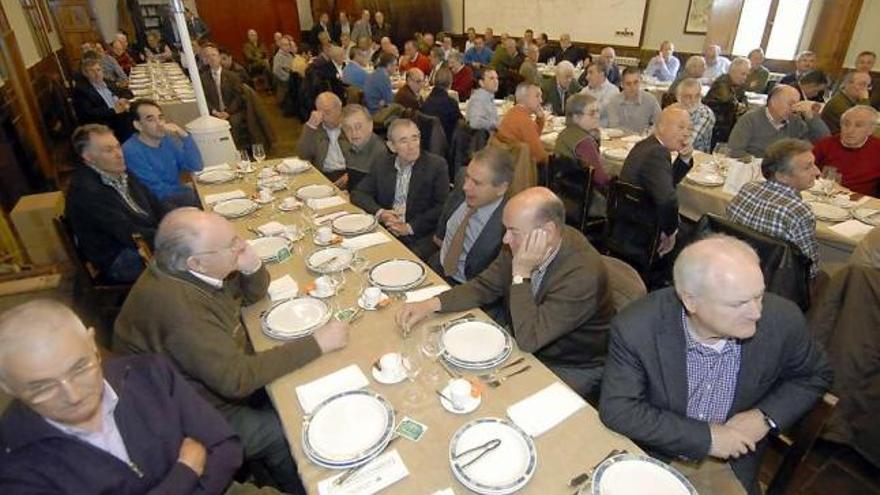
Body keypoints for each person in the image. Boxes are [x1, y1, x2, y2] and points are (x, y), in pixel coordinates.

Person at [113, 208, 349, 494]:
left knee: (293, 383)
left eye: (236, 237)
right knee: (286, 428)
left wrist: (251, 266)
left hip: (204, 381)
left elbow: (248, 296)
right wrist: (317, 343)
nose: (241, 246)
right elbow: (237, 380)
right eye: (231, 245)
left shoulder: (188, 273)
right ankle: (295, 486)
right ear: (197, 262)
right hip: (189, 419)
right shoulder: (182, 313)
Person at [599, 235, 832, 495]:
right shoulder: (638, 327)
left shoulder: (782, 320)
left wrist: (765, 416)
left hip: (730, 465)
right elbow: (619, 409)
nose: (756, 313)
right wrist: (708, 439)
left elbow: (815, 375)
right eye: (739, 303)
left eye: (759, 296)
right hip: (657, 453)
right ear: (691, 301)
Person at [0, 300, 257, 494]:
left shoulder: (148, 372)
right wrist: (185, 473)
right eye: (42, 388)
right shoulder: (12, 466)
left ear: (92, 343)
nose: (74, 395)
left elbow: (225, 447)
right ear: (8, 387)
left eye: (80, 368)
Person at [399, 187, 614, 396]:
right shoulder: (524, 243)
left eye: (513, 231)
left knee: (502, 403)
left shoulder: (583, 276)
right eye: (506, 229)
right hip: (524, 333)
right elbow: (484, 285)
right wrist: (431, 304)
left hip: (568, 363)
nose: (505, 240)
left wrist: (520, 273)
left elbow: (529, 339)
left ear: (546, 232)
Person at [66, 124, 168, 283]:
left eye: (118, 147)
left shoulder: (117, 170)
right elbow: (129, 234)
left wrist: (174, 222)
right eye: (108, 150)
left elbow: (154, 203)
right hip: (119, 256)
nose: (119, 154)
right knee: (188, 260)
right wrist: (173, 237)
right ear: (88, 157)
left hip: (141, 238)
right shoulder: (88, 192)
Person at [352, 118, 449, 257]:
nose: (412, 146)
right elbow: (358, 193)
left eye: (415, 138)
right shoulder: (383, 163)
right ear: (391, 146)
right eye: (404, 141)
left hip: (419, 233)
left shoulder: (436, 165)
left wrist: (409, 227)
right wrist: (382, 213)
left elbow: (442, 206)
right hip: (387, 228)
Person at [727, 138, 821, 278]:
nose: (817, 171)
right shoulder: (798, 210)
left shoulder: (748, 188)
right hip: (772, 281)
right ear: (782, 176)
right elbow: (809, 268)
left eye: (814, 164)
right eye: (808, 167)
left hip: (734, 265)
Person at [613, 106, 694, 261]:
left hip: (628, 220)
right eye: (681, 127)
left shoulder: (646, 145)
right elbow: (667, 199)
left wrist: (684, 159)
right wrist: (671, 232)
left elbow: (665, 182)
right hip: (641, 229)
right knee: (695, 233)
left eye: (689, 128)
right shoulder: (657, 153)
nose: (686, 133)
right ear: (662, 127)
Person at [431, 146, 512, 283]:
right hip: (437, 266)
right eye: (468, 177)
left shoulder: (509, 225)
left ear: (501, 188)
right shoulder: (464, 185)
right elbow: (441, 232)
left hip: (469, 286)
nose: (466, 187)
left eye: (476, 183)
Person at [122, 100, 202, 207]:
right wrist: (189, 190)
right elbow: (156, 191)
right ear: (138, 125)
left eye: (160, 118)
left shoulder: (167, 140)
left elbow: (195, 165)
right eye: (151, 120)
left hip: (175, 196)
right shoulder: (131, 150)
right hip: (156, 205)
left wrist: (184, 135)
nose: (159, 124)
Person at [728, 85, 830, 158]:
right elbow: (734, 151)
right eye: (790, 103)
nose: (794, 108)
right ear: (773, 101)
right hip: (752, 170)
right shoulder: (750, 119)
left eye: (797, 104)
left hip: (784, 175)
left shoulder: (795, 122)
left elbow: (824, 141)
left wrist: (812, 117)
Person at [554, 93, 611, 215]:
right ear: (576, 117)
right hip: (587, 201)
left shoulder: (564, 134)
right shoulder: (584, 142)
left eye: (597, 111)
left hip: (565, 196)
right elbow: (600, 179)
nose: (597, 116)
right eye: (591, 113)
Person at [813, 105, 880, 196]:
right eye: (846, 124)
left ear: (871, 130)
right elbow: (805, 172)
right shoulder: (825, 144)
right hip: (824, 195)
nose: (850, 130)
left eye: (858, 125)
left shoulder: (877, 148)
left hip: (861, 202)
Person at [73, 55, 133, 140]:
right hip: (105, 121)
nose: (97, 74)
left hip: (120, 113)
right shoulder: (81, 91)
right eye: (92, 71)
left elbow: (127, 92)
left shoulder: (107, 82)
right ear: (85, 74)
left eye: (98, 70)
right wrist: (113, 111)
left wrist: (122, 98)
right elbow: (87, 113)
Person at [200, 44, 249, 147]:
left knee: (234, 123)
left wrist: (227, 112)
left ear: (219, 58)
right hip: (214, 112)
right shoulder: (203, 78)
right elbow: (203, 98)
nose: (212, 58)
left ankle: (234, 150)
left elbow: (238, 98)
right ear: (206, 60)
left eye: (214, 55)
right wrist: (214, 112)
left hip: (232, 111)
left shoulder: (232, 76)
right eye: (209, 56)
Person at [297, 92, 348, 186]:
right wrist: (310, 127)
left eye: (327, 112)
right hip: (323, 175)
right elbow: (303, 155)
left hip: (348, 173)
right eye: (320, 112)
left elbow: (366, 155)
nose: (323, 116)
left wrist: (352, 174)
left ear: (339, 108)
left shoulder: (350, 125)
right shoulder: (314, 128)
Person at [496, 82, 550, 164]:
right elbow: (540, 156)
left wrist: (540, 118)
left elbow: (534, 136)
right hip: (519, 167)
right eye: (537, 96)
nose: (541, 100)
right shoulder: (524, 120)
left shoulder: (513, 112)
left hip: (506, 162)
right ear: (525, 98)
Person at [340, 104, 390, 190]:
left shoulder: (381, 154)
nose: (354, 133)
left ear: (370, 125)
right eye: (348, 128)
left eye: (358, 127)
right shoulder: (352, 146)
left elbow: (381, 195)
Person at [703, 56, 751, 145]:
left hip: (727, 125)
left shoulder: (739, 85)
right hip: (715, 127)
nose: (745, 77)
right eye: (743, 74)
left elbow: (745, 103)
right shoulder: (722, 82)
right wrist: (740, 106)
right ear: (732, 71)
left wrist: (741, 106)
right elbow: (729, 102)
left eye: (747, 75)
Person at [606, 67, 661, 133]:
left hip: (643, 139)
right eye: (628, 84)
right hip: (620, 140)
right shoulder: (614, 101)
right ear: (622, 85)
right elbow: (614, 127)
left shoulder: (650, 99)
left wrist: (649, 131)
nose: (633, 87)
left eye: (636, 82)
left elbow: (660, 123)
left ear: (641, 81)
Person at [420, 67, 460, 146]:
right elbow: (459, 124)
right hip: (445, 142)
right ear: (450, 83)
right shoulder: (451, 103)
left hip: (426, 142)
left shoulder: (426, 100)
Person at [676, 79, 716, 153]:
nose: (693, 100)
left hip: (697, 159)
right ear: (679, 97)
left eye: (697, 96)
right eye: (688, 96)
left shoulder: (705, 114)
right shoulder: (673, 110)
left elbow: (686, 142)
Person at [579, 60, 619, 126]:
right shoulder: (586, 89)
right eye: (587, 73)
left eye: (591, 73)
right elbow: (575, 105)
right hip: (585, 128)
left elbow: (599, 111)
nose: (587, 77)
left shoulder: (612, 91)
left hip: (605, 130)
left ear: (601, 74)